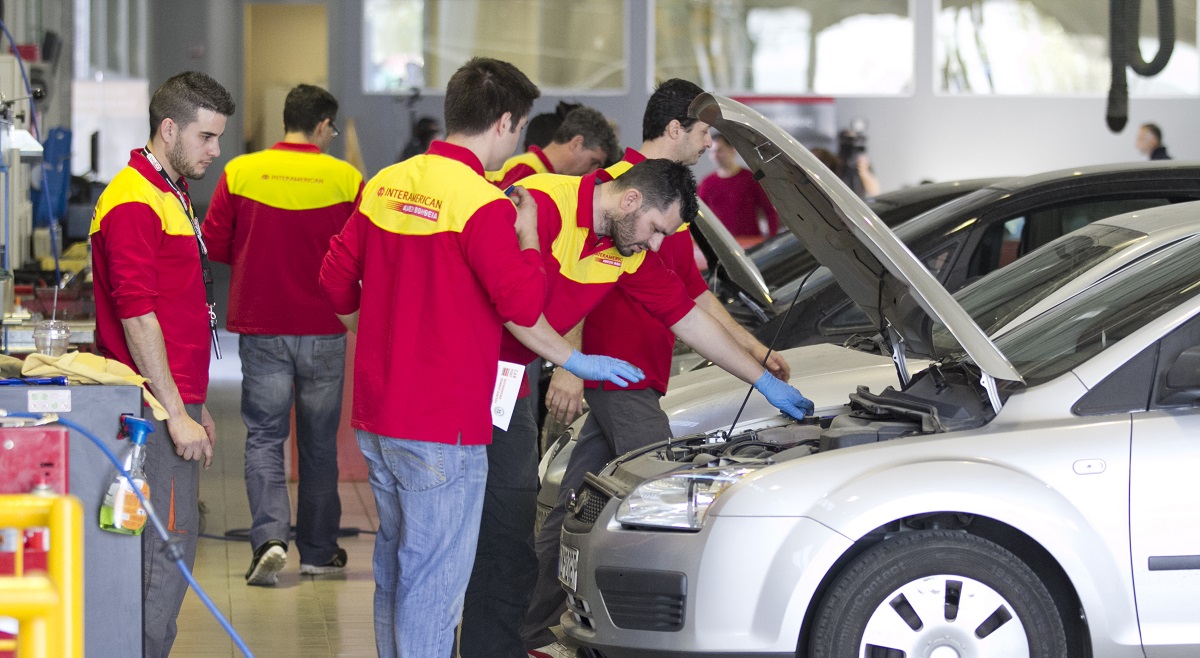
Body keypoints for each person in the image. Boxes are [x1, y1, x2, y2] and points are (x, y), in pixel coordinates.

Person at [318, 57, 643, 658]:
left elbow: (335, 283)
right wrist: (527, 242)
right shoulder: (484, 204)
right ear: (506, 121)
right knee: (434, 587)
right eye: (519, 131)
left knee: (394, 570)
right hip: (445, 427)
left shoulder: (385, 185)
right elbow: (522, 307)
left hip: (378, 418)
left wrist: (384, 337)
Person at [459, 159, 811, 658]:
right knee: (481, 531)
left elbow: (686, 316)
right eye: (656, 228)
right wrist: (572, 360)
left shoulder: (621, 251)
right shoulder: (542, 204)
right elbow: (505, 298)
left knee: (513, 526)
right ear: (629, 201)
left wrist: (760, 381)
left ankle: (508, 643)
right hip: (464, 376)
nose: (656, 244)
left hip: (508, 386)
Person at [521, 78, 792, 656]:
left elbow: (685, 300)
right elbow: (559, 283)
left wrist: (757, 363)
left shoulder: (660, 211)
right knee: (658, 490)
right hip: (611, 372)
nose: (706, 143)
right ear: (675, 129)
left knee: (577, 505)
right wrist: (569, 362)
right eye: (702, 132)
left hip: (630, 372)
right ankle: (623, 632)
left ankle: (536, 628)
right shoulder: (615, 202)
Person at [89, 71, 233, 658]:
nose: (215, 151)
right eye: (206, 137)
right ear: (169, 129)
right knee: (164, 555)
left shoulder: (169, 192)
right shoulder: (132, 200)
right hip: (147, 411)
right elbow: (138, 316)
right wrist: (175, 412)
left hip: (172, 402)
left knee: (169, 546)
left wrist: (193, 404)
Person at [202, 84, 363, 587]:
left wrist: (260, 260)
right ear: (321, 126)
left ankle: (269, 540)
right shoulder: (347, 179)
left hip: (262, 325)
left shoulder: (241, 172)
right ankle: (317, 551)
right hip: (325, 328)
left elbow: (216, 243)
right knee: (318, 444)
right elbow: (360, 256)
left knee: (265, 437)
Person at [488, 105, 619, 189]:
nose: (592, 172)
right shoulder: (527, 171)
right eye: (594, 162)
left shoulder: (543, 173)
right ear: (576, 143)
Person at [698, 131, 779, 241]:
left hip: (752, 242)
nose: (715, 156)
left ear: (732, 150)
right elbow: (699, 218)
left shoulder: (750, 178)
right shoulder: (706, 184)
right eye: (712, 152)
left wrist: (773, 239)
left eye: (719, 151)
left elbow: (769, 211)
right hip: (725, 245)